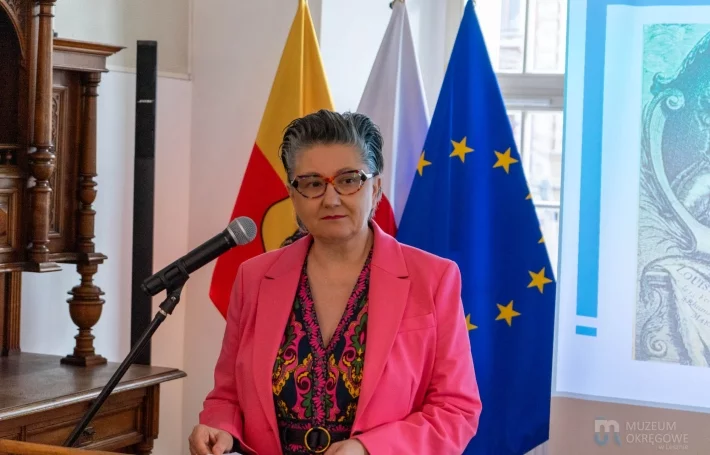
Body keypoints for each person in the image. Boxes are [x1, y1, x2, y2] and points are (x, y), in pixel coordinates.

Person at [189, 110, 481, 455]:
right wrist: (220, 427)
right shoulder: (254, 277)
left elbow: (455, 410)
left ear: (375, 188)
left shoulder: (432, 278)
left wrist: (369, 449)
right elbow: (227, 396)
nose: (331, 199)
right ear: (293, 195)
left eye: (348, 180)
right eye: (313, 183)